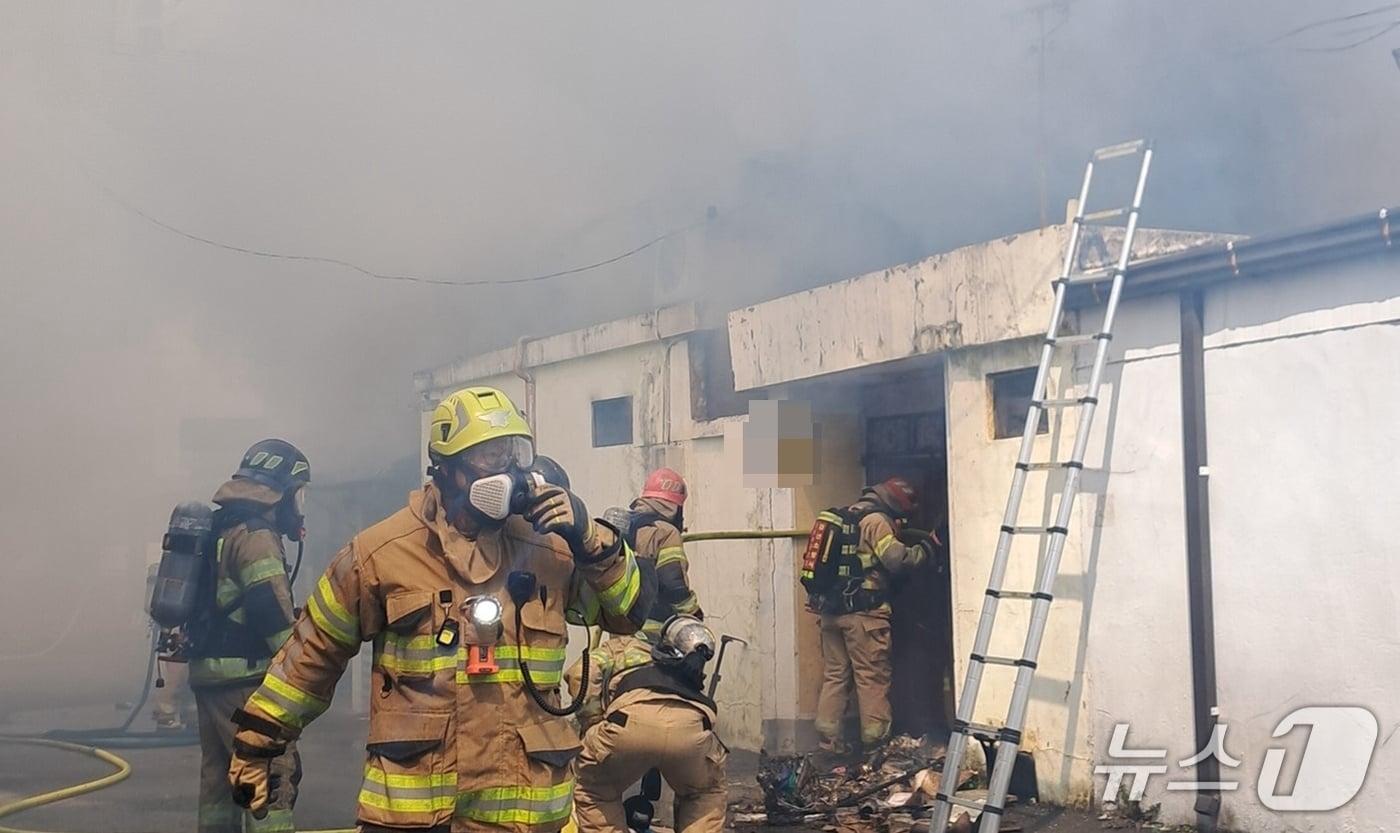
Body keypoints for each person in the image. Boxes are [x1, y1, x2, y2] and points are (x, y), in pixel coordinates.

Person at [227, 386, 653, 833]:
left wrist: (592, 540)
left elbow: (626, 613)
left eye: (513, 454)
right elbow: (311, 655)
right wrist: (258, 744)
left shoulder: (550, 548)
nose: (507, 472)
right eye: (489, 457)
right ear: (445, 469)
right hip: (419, 817)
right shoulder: (380, 554)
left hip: (525, 818)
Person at [189, 439, 309, 833]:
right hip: (245, 684)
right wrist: (311, 671)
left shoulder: (223, 525)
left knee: (221, 785)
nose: (299, 506)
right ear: (281, 492)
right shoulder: (257, 536)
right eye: (299, 494)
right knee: (269, 779)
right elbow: (270, 616)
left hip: (211, 678)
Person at [570, 616, 727, 833]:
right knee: (705, 794)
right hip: (692, 729)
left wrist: (593, 723)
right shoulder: (685, 662)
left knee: (596, 790)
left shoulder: (620, 647)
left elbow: (580, 674)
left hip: (627, 726)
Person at [810, 477, 929, 755]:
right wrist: (926, 550)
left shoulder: (845, 516)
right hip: (864, 617)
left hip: (831, 614)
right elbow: (896, 561)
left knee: (835, 675)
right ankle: (876, 743)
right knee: (871, 677)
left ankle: (829, 740)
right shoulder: (876, 521)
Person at [624, 469, 701, 639]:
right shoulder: (666, 532)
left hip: (621, 630)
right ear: (675, 507)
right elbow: (672, 583)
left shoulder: (626, 528)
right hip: (653, 634)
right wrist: (693, 613)